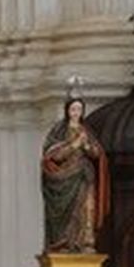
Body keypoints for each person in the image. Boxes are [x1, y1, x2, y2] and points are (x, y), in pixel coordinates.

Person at [40, 96, 110, 253]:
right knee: (66, 212)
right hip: (64, 180)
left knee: (87, 209)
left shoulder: (86, 131)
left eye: (79, 109)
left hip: (84, 177)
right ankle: (64, 242)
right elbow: (53, 156)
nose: (76, 112)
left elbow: (96, 153)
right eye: (73, 109)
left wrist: (87, 147)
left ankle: (85, 242)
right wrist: (74, 145)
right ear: (67, 111)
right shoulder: (59, 131)